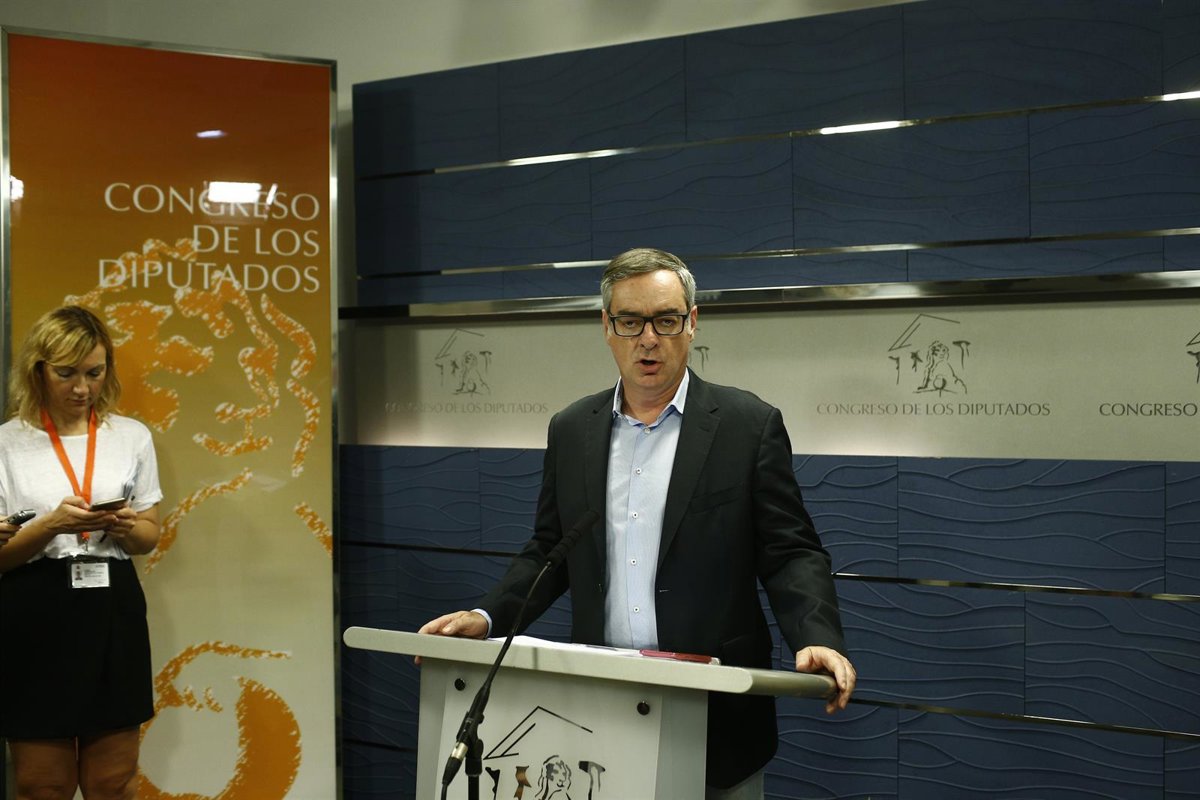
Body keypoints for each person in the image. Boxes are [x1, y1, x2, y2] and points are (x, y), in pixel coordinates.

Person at [420, 248, 856, 799]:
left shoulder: (747, 426)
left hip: (714, 715)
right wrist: (488, 616)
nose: (648, 339)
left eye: (665, 320)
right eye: (630, 322)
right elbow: (551, 549)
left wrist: (816, 636)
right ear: (607, 327)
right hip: (602, 711)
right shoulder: (571, 429)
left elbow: (791, 551)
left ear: (692, 322)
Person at [0, 305, 163, 800]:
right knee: (42, 784)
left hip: (112, 605)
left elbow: (150, 536)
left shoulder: (130, 436)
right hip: (33, 606)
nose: (82, 388)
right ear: (38, 371)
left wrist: (126, 527)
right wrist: (52, 525)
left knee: (112, 782)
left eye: (94, 373)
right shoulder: (7, 443)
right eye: (67, 373)